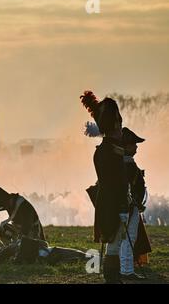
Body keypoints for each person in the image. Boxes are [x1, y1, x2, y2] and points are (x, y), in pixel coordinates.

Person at [81, 90, 129, 284]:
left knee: (114, 244)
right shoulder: (110, 152)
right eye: (118, 122)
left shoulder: (107, 149)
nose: (120, 126)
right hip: (112, 203)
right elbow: (116, 183)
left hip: (109, 202)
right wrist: (123, 208)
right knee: (114, 245)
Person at [120, 127, 152, 280]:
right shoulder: (127, 165)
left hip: (129, 205)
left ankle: (122, 268)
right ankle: (126, 270)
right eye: (133, 144)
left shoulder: (124, 163)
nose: (136, 146)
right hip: (129, 206)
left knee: (123, 239)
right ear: (126, 146)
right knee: (129, 238)